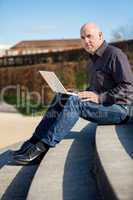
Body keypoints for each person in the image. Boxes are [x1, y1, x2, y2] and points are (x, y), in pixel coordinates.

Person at [11, 22, 133, 165]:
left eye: (89, 36)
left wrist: (99, 97)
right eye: (82, 37)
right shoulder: (93, 59)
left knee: (75, 103)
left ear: (100, 35)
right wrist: (78, 93)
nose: (86, 41)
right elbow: (97, 88)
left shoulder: (115, 55)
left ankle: (41, 149)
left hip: (122, 109)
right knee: (62, 97)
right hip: (106, 105)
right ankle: (33, 142)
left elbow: (128, 87)